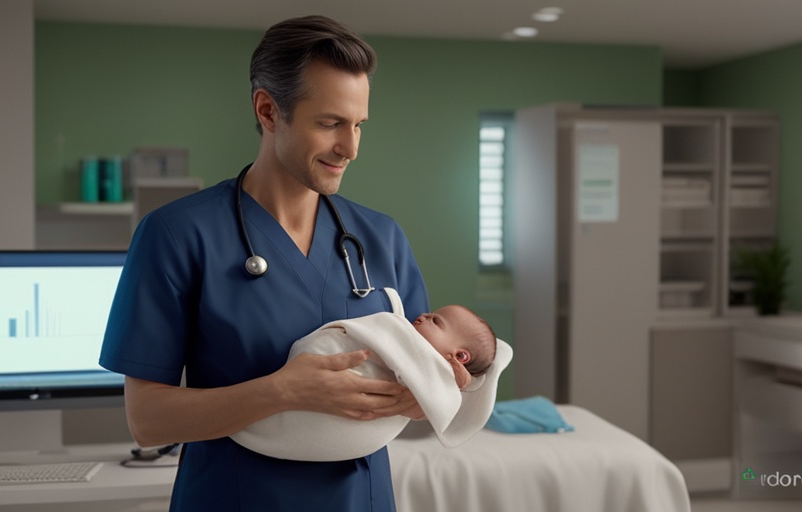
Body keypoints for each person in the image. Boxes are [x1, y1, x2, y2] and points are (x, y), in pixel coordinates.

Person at [99, 15, 428, 512]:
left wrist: (430, 395)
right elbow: (147, 420)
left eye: (358, 125)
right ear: (269, 110)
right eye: (330, 123)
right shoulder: (177, 234)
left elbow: (429, 378)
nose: (351, 148)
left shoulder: (381, 239)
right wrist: (281, 391)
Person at [230, 287, 511, 462]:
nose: (422, 316)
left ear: (458, 356)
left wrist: (448, 386)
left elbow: (433, 408)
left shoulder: (431, 370)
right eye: (429, 314)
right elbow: (378, 335)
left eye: (436, 321)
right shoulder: (399, 332)